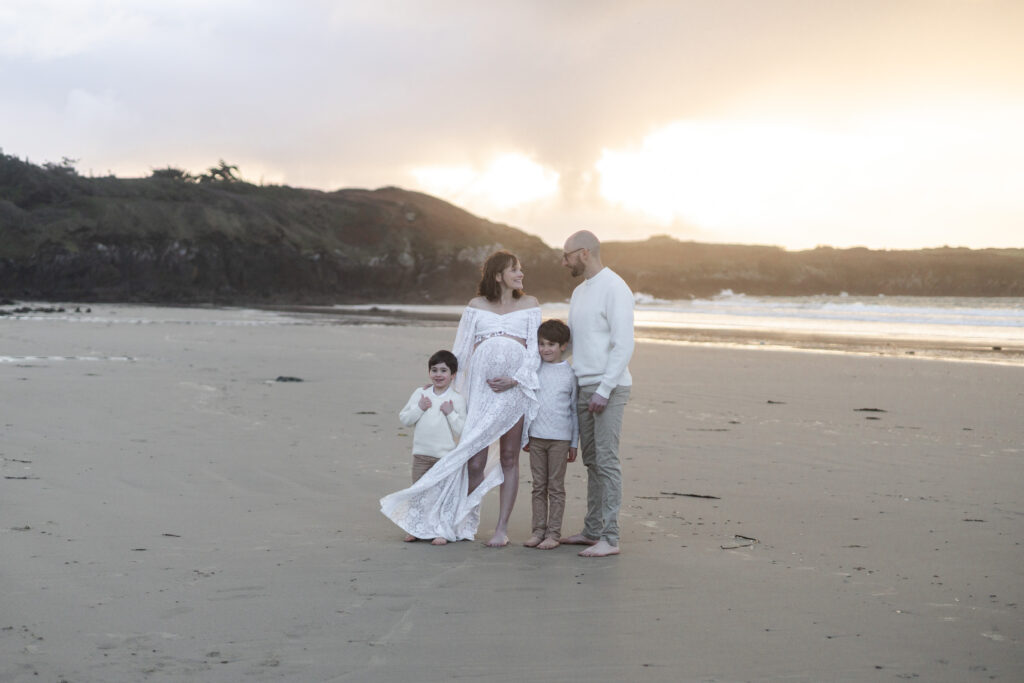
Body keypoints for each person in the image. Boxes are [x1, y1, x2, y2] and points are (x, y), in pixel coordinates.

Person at [381, 250, 541, 547]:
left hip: (514, 392)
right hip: (481, 392)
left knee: (509, 457)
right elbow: (462, 350)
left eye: (520, 269)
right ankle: (462, 520)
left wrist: (516, 379)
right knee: (474, 460)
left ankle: (501, 529)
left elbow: (533, 352)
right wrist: (447, 386)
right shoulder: (476, 306)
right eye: (515, 270)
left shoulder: (530, 305)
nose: (521, 274)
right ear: (497, 275)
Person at [560, 230, 635, 558]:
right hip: (583, 385)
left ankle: (610, 536)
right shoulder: (578, 292)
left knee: (606, 461)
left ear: (584, 253)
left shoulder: (615, 287)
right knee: (591, 461)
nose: (564, 262)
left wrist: (604, 389)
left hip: (610, 387)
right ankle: (592, 530)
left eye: (567, 256)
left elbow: (624, 344)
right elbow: (574, 343)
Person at [397, 349, 467, 545]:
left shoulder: (457, 399)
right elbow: (405, 419)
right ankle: (415, 529)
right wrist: (420, 407)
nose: (438, 375)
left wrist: (451, 413)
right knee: (418, 493)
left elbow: (462, 430)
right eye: (434, 370)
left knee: (440, 496)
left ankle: (441, 530)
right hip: (421, 455)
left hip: (444, 457)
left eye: (443, 371)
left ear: (452, 375)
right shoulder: (421, 393)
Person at [523, 319, 578, 550]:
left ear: (563, 346)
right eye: (541, 344)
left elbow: (574, 410)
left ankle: (553, 534)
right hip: (536, 437)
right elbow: (527, 403)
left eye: (551, 344)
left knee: (555, 486)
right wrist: (526, 435)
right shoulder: (534, 370)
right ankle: (538, 531)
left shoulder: (570, 374)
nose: (545, 349)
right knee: (538, 485)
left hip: (560, 438)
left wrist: (574, 442)